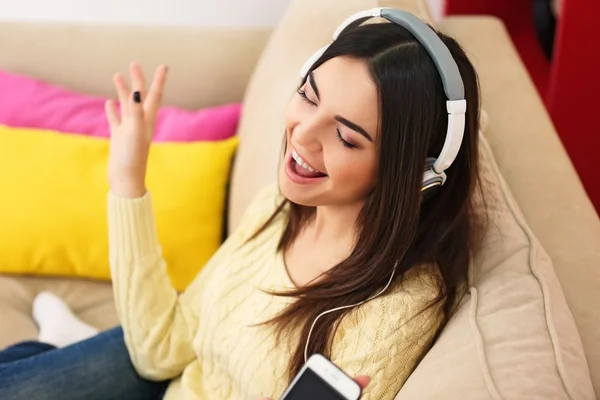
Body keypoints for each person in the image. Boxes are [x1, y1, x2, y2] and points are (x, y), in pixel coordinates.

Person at [0, 9, 485, 400]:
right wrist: (128, 182)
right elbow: (163, 350)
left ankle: (60, 343)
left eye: (344, 136)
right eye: (308, 97)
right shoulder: (280, 207)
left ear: (414, 173)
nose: (302, 135)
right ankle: (58, 342)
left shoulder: (395, 312)